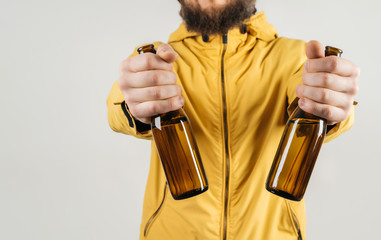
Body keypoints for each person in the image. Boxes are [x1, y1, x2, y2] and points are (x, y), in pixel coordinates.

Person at [107, 0, 359, 239]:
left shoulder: (295, 58)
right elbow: (118, 107)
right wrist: (133, 104)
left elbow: (316, 100)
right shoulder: (157, 62)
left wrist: (331, 103)